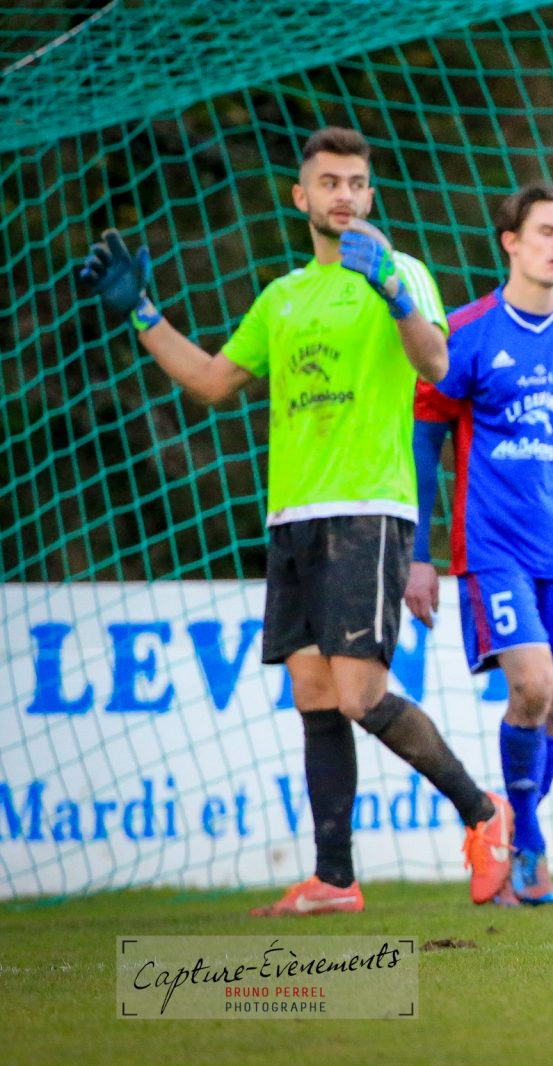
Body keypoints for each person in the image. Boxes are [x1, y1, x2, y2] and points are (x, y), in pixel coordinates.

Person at [77, 126, 514, 915]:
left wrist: (395, 292)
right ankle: (334, 880)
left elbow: (435, 364)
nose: (344, 195)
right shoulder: (282, 297)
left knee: (359, 694)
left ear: (370, 196)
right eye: (329, 182)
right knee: (314, 693)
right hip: (294, 517)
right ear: (300, 195)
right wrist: (142, 313)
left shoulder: (400, 271)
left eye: (356, 183)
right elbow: (213, 381)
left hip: (368, 510)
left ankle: (483, 813)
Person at [406, 180, 553, 907]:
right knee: (532, 686)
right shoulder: (466, 332)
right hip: (491, 546)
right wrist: (417, 554)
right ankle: (528, 840)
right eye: (546, 231)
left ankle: (513, 836)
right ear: (511, 242)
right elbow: (424, 443)